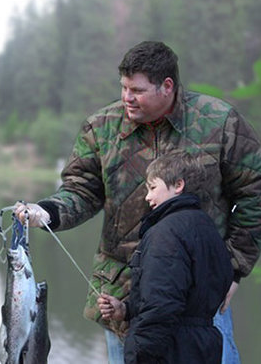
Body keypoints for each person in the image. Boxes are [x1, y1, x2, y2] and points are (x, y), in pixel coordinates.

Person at [14, 41, 261, 364]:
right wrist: (48, 212)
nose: (126, 97)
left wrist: (233, 269)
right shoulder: (101, 126)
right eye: (123, 87)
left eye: (136, 90)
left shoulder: (220, 123)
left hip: (201, 300)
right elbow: (81, 189)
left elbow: (257, 192)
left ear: (167, 86)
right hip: (123, 295)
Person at [97, 150, 234, 363]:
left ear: (178, 185)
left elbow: (162, 306)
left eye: (153, 188)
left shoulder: (166, 233)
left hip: (170, 351)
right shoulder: (209, 229)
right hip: (204, 348)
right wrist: (126, 309)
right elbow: (186, 297)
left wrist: (138, 356)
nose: (148, 197)